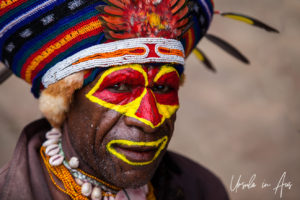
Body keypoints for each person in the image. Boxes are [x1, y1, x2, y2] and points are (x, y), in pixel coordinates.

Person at [0, 0, 277, 199]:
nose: (150, 119)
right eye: (120, 86)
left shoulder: (202, 189)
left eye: (163, 88)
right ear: (63, 100)